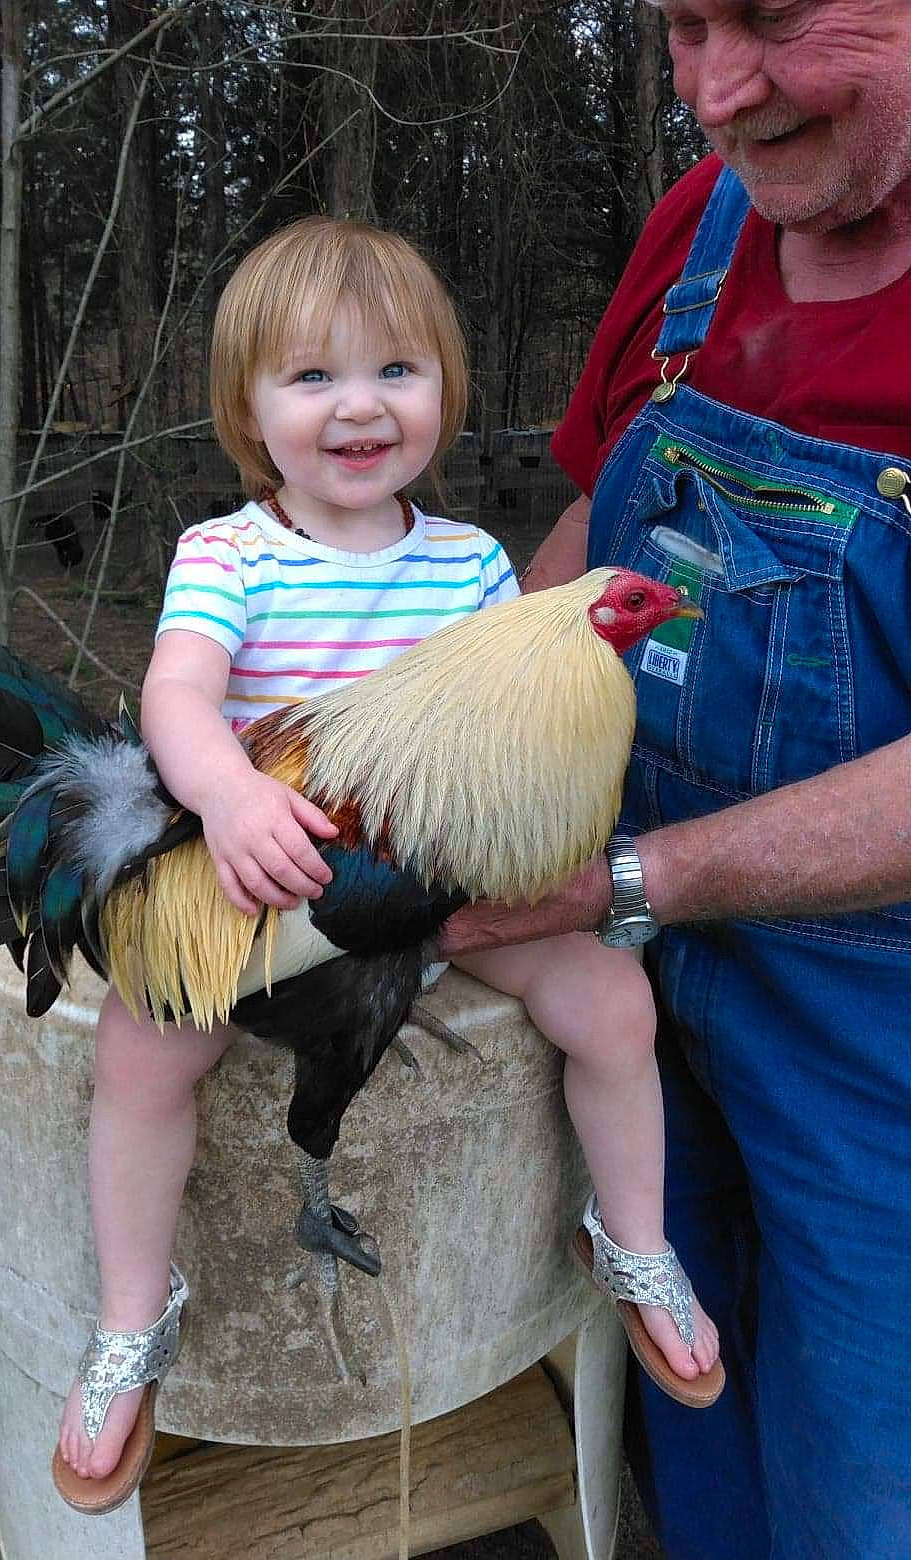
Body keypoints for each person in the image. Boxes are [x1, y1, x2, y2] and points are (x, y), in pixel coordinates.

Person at [51, 214, 720, 1515]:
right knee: (140, 1052)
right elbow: (178, 694)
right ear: (248, 408)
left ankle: (633, 1240)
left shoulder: (470, 566)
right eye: (311, 377)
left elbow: (513, 744)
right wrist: (230, 795)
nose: (357, 407)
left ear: (443, 397)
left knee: (613, 1003)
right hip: (263, 884)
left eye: (396, 372)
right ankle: (133, 1317)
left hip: (440, 891)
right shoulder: (228, 557)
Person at [440, 4, 911, 1557]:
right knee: (689, 1429)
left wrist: (642, 881)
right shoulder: (696, 235)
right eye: (682, 28)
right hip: (639, 982)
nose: (717, 92)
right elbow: (591, 543)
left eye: (773, 19)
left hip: (875, 1034)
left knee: (865, 1479)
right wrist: (429, 742)